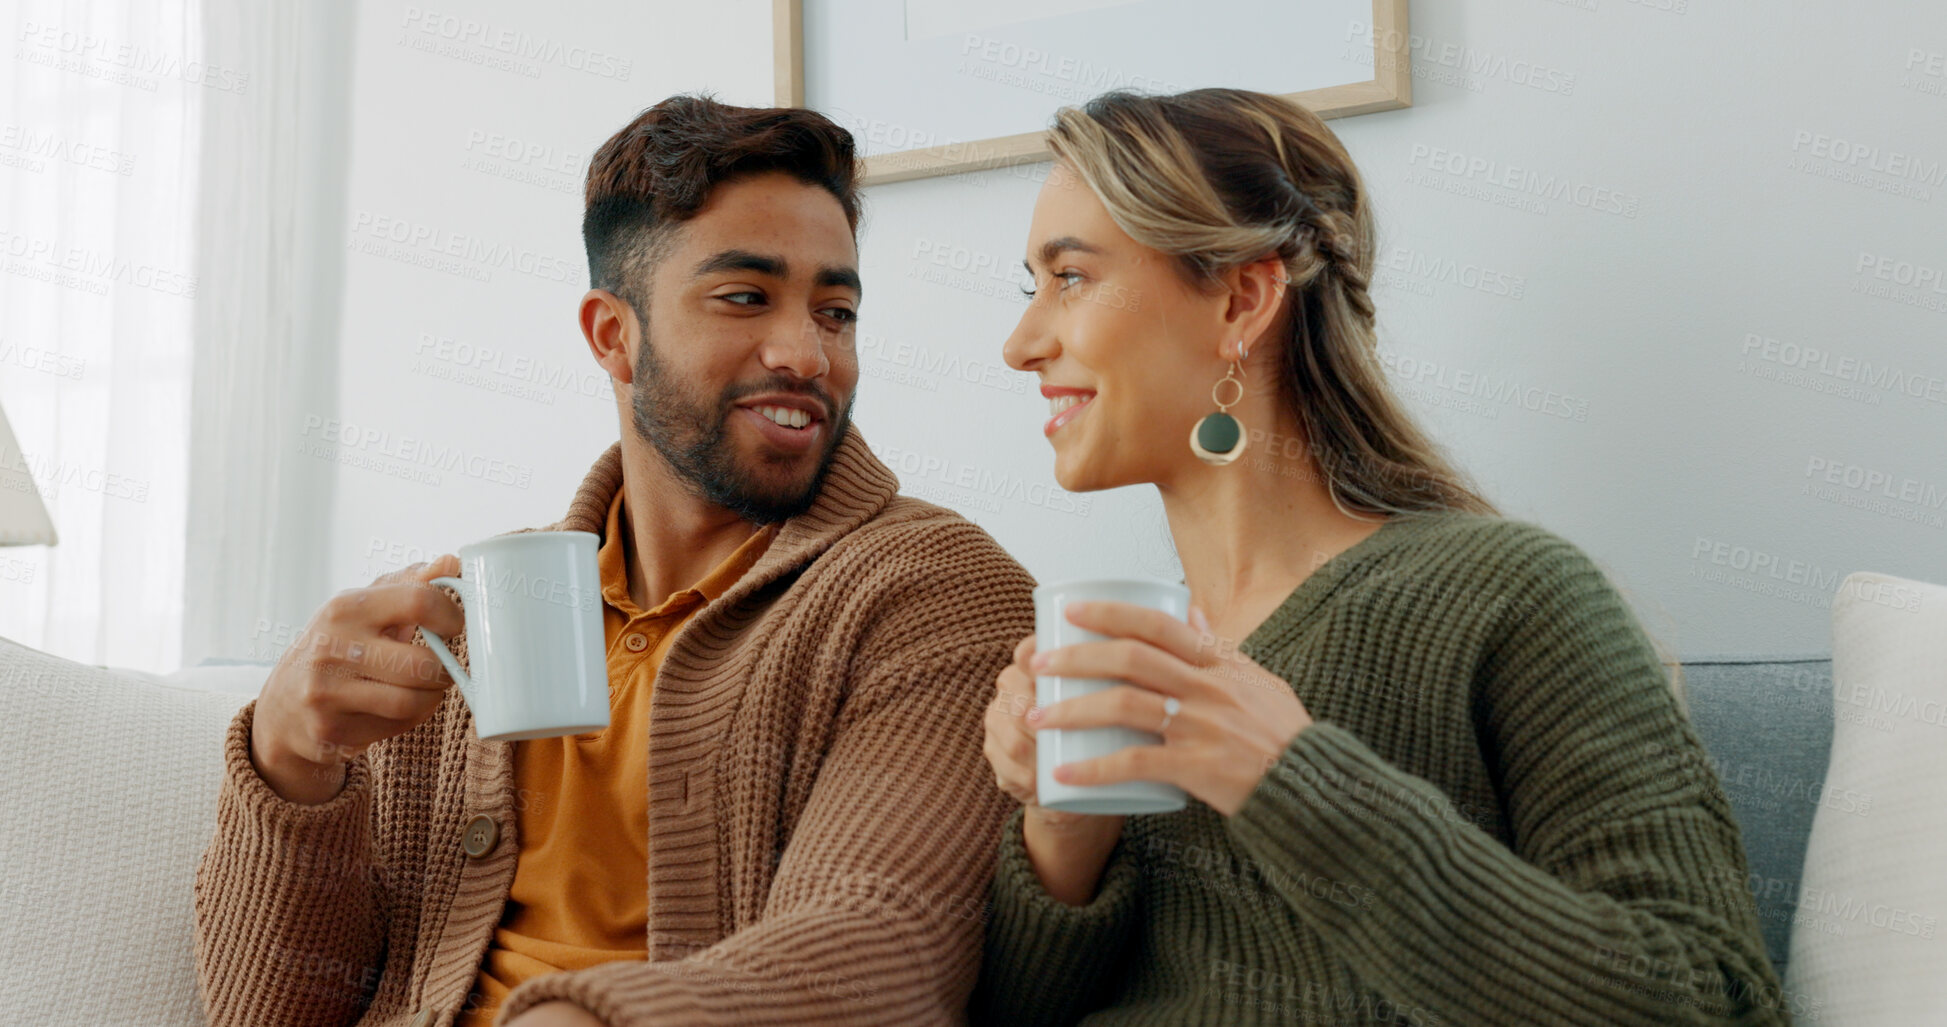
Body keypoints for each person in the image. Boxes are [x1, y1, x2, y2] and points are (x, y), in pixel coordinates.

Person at [194, 94, 1034, 1027]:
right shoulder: (474, 609)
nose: (807, 353)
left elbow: (885, 946)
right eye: (745, 297)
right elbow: (268, 1010)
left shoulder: (936, 592)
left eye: (835, 311)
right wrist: (287, 759)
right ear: (612, 335)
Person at [974, 88, 1794, 1026]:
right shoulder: (1133, 656)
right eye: (1028, 286)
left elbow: (1712, 999)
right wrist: (1064, 821)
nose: (1020, 342)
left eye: (1070, 278)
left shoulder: (1509, 593)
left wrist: (1288, 781)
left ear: (1241, 298)